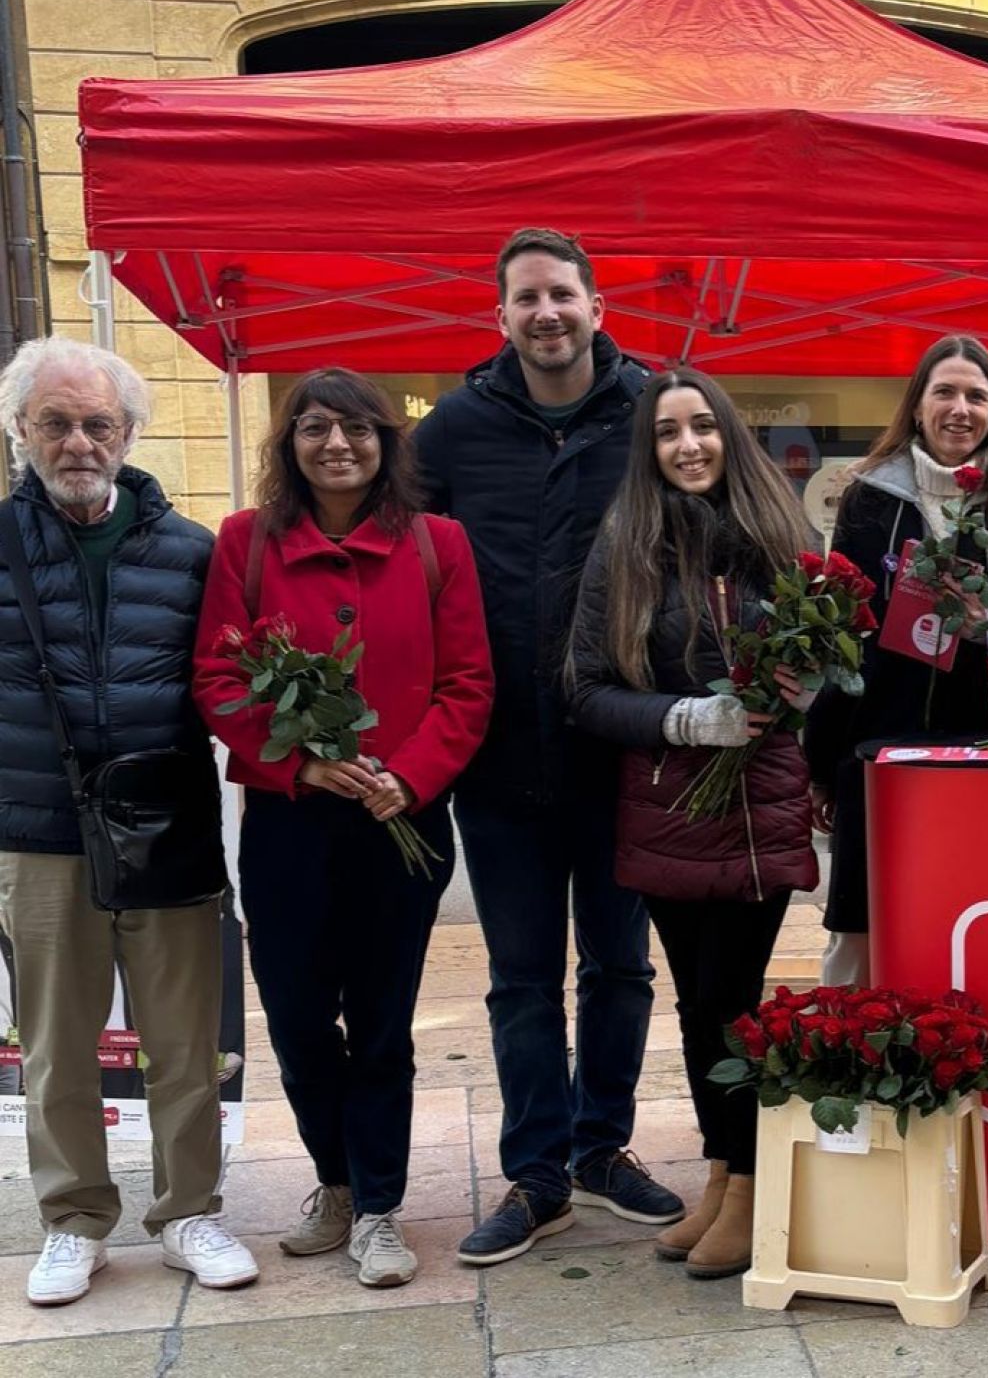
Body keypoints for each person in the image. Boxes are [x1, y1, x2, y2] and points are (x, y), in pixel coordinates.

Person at [414, 228, 684, 1266]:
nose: (547, 313)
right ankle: (536, 1174)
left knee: (619, 967)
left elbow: (710, 525)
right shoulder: (452, 431)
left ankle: (601, 1148)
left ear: (596, 304)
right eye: (526, 298)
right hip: (497, 751)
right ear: (502, 317)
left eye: (562, 294)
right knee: (521, 975)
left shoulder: (651, 411)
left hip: (620, 748)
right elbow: (406, 567)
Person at [193, 368, 492, 1289]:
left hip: (399, 819)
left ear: (385, 443)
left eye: (357, 429)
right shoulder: (246, 544)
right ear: (290, 444)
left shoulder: (438, 543)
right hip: (289, 825)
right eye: (316, 428)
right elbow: (217, 677)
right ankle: (331, 1177)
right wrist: (299, 762)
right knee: (293, 1017)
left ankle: (380, 1204)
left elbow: (468, 684)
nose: (338, 445)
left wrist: (409, 776)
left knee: (383, 1021)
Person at [0, 335, 257, 1305]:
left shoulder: (194, 553)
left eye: (96, 422)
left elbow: (229, 684)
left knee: (184, 1036)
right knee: (58, 1044)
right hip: (38, 833)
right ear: (20, 430)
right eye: (55, 422)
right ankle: (73, 1221)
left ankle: (190, 1210)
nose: (77, 441)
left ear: (128, 433)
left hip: (168, 829)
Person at [567, 368, 819, 1278]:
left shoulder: (782, 536)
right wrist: (685, 717)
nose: (688, 446)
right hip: (669, 808)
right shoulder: (625, 545)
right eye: (668, 432)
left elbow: (832, 653)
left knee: (734, 999)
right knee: (697, 1001)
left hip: (757, 809)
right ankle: (722, 1176)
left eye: (703, 427)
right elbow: (586, 688)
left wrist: (804, 688)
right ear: (650, 450)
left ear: (728, 436)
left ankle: (753, 1183)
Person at [806, 334, 988, 985]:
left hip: (976, 758)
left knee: (969, 918)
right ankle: (854, 1069)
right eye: (944, 391)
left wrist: (985, 628)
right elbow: (844, 641)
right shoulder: (869, 498)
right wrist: (823, 761)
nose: (960, 408)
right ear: (917, 406)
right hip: (881, 752)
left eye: (977, 395)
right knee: (861, 934)